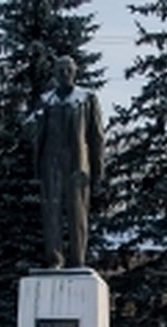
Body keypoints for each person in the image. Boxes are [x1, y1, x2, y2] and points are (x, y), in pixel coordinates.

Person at [30, 56, 104, 269]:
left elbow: (96, 136)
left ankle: (77, 259)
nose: (64, 74)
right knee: (51, 212)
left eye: (68, 70)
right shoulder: (46, 100)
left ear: (75, 72)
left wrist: (98, 170)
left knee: (77, 212)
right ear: (55, 73)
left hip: (77, 164)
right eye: (60, 70)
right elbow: (33, 127)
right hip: (50, 162)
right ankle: (55, 259)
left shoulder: (87, 98)